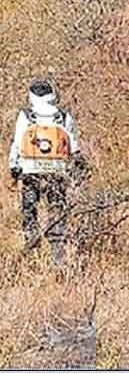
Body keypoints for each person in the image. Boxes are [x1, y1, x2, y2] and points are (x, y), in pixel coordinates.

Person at [8, 78, 85, 265]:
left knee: (30, 211)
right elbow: (75, 149)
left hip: (30, 171)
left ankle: (31, 252)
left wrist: (14, 169)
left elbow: (18, 143)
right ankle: (57, 258)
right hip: (57, 173)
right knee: (57, 211)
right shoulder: (64, 117)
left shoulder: (26, 116)